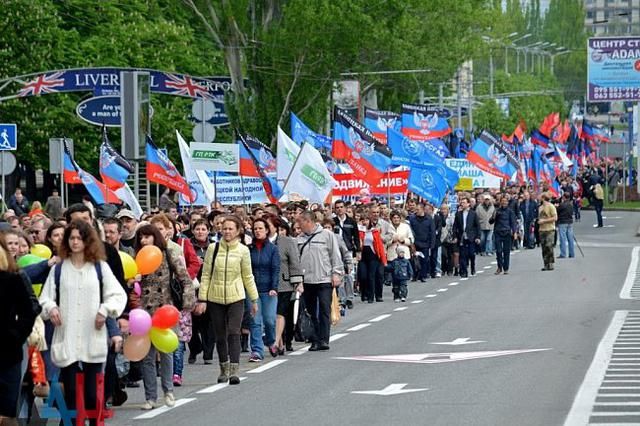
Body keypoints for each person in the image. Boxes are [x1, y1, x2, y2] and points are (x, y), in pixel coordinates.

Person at [39, 220, 126, 421]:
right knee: (70, 395)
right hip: (67, 338)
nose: (75, 242)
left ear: (88, 241)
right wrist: (51, 308)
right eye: (72, 238)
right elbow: (45, 298)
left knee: (92, 395)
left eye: (80, 238)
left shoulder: (99, 268)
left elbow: (117, 295)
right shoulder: (59, 269)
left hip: (92, 338)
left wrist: (105, 311)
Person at [133, 224, 195, 408]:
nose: (144, 240)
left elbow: (185, 279)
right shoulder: (136, 258)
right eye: (141, 237)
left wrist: (187, 302)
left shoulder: (168, 254)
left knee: (166, 352)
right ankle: (150, 397)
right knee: (147, 357)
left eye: (147, 236)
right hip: (144, 312)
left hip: (165, 311)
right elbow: (130, 285)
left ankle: (168, 391)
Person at [195, 215, 259, 385]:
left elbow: (248, 276)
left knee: (233, 331)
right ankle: (223, 367)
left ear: (238, 231)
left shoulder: (243, 250)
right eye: (225, 228)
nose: (227, 231)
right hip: (215, 297)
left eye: (231, 228)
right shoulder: (212, 248)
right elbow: (206, 274)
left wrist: (254, 299)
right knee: (220, 335)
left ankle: (234, 370)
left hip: (236, 296)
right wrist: (202, 298)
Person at [0, 234, 40, 425]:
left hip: (8, 351)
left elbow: (31, 309)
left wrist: (15, 334)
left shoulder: (13, 277)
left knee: (7, 412)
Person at [296, 211, 343, 351]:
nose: (299, 226)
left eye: (301, 222)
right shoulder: (299, 238)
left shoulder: (326, 235)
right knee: (310, 311)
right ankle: (315, 339)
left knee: (324, 309)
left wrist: (336, 273)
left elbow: (335, 255)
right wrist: (299, 280)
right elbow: (296, 260)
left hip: (324, 278)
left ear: (308, 221)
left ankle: (324, 339)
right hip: (307, 280)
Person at [266, 216, 303, 355]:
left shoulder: (287, 242)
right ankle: (280, 343)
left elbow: (295, 263)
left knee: (280, 313)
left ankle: (275, 342)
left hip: (284, 283)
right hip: (266, 283)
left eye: (268, 225)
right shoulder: (260, 243)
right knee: (270, 316)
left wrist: (298, 282)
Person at [247, 218, 280, 361]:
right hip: (253, 290)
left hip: (268, 290)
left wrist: (274, 287)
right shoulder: (249, 249)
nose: (257, 231)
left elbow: (275, 268)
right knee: (255, 321)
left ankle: (271, 341)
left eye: (260, 228)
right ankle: (257, 351)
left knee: (270, 320)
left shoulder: (272, 249)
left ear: (267, 230)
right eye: (255, 229)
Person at [357, 212, 387, 303]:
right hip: (363, 256)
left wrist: (383, 259)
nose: (365, 222)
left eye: (366, 220)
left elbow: (379, 245)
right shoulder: (359, 231)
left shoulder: (374, 231)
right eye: (363, 220)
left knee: (372, 276)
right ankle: (364, 293)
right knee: (363, 276)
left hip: (373, 256)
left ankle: (372, 296)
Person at [453, 197, 481, 278]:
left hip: (471, 237)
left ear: (468, 204)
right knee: (462, 255)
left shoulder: (473, 213)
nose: (462, 204)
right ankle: (464, 271)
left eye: (464, 202)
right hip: (462, 237)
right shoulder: (458, 214)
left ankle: (472, 266)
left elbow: (477, 226)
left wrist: (478, 237)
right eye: (461, 203)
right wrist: (455, 236)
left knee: (471, 254)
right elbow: (455, 226)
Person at [490, 196, 517, 275]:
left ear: (507, 202)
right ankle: (499, 267)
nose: (504, 203)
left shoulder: (510, 211)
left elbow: (513, 223)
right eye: (502, 201)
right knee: (498, 251)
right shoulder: (497, 211)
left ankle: (506, 268)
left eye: (505, 201)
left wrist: (515, 232)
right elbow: (490, 222)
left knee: (506, 251)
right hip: (498, 232)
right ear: (500, 202)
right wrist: (494, 217)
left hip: (507, 232)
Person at [410, 202, 435, 282]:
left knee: (424, 260)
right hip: (415, 243)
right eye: (416, 209)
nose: (416, 211)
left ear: (423, 209)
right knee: (415, 260)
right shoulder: (412, 218)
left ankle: (423, 275)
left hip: (425, 243)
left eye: (418, 209)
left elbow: (432, 231)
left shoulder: (429, 219)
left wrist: (432, 244)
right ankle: (415, 275)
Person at [538, 192, 558, 271]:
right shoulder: (540, 208)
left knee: (549, 246)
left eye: (540, 197)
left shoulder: (551, 206)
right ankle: (545, 264)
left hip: (550, 229)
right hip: (542, 229)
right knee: (543, 247)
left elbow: (555, 218)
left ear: (543, 198)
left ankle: (551, 263)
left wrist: (544, 221)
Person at [556, 191, 575, 259]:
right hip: (569, 222)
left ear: (564, 197)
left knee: (562, 238)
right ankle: (571, 253)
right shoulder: (571, 205)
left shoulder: (562, 205)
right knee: (570, 238)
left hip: (562, 222)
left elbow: (557, 211)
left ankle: (563, 253)